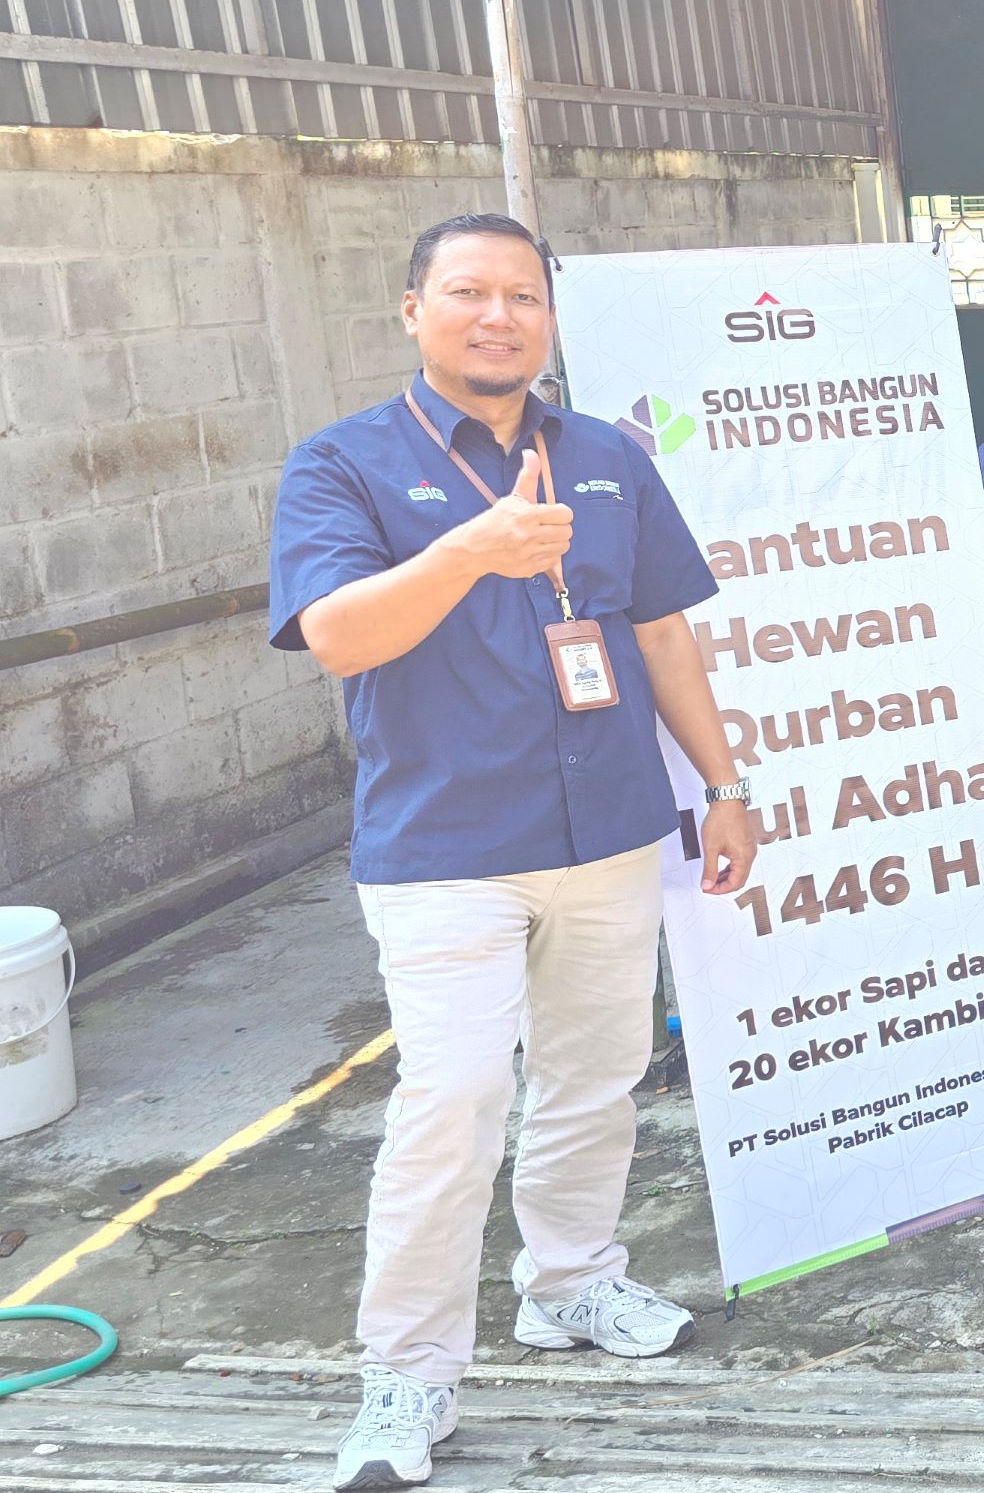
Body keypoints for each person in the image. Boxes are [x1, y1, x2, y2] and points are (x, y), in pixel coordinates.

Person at [268, 214, 757, 1492]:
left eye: (522, 297)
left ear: (549, 317)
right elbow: (336, 636)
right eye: (468, 293)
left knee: (597, 1078)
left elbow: (659, 634)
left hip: (607, 828)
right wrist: (468, 551)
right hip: (448, 846)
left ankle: (572, 1281)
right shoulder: (344, 465)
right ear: (412, 309)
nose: (499, 317)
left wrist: (724, 785)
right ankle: (407, 1374)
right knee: (455, 1102)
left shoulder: (604, 456)